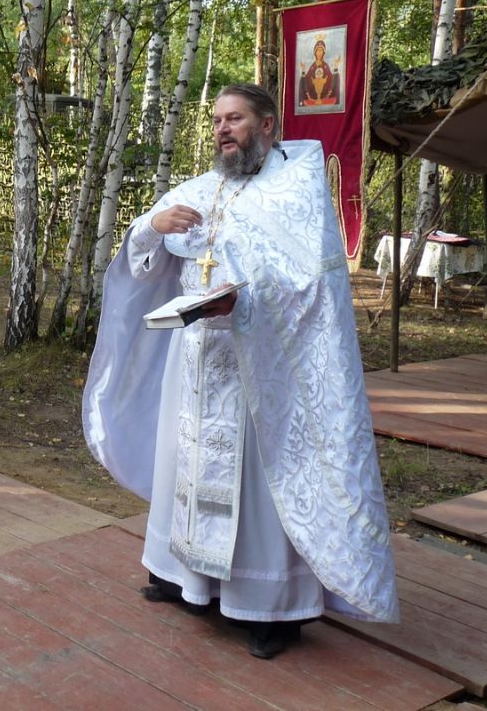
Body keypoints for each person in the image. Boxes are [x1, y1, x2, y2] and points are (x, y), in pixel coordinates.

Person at [82, 83, 397, 660]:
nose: (223, 130)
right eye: (218, 120)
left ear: (267, 126)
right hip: (195, 360)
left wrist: (245, 302)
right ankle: (183, 578)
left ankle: (269, 608)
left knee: (256, 486)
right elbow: (142, 257)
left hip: (260, 366)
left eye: (235, 119)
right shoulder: (203, 187)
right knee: (185, 468)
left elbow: (311, 288)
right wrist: (154, 226)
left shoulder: (295, 189)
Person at [301, 40, 340, 104]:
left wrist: (335, 67)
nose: (319, 53)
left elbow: (331, 79)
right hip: (313, 97)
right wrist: (303, 70)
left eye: (321, 50)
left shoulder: (325, 66)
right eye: (318, 50)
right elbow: (307, 80)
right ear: (315, 52)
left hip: (325, 95)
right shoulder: (312, 67)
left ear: (323, 53)